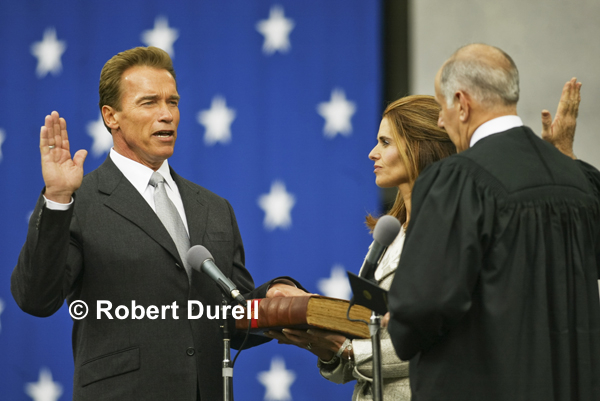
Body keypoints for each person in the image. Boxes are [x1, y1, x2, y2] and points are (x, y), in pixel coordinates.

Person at [11, 46, 306, 401]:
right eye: (149, 103)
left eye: (173, 102)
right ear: (111, 116)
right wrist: (58, 198)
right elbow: (36, 299)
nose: (166, 115)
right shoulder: (80, 202)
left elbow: (232, 318)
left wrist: (274, 298)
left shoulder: (214, 208)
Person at [387, 43, 600, 401]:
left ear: (462, 103)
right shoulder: (578, 180)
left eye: (442, 108)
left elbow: (424, 305)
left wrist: (401, 321)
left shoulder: (459, 180)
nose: (441, 120)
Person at [266, 95, 457, 400]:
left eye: (385, 142)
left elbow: (438, 340)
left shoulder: (452, 235)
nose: (372, 153)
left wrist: (348, 349)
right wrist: (320, 334)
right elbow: (362, 344)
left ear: (419, 147)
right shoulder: (387, 236)